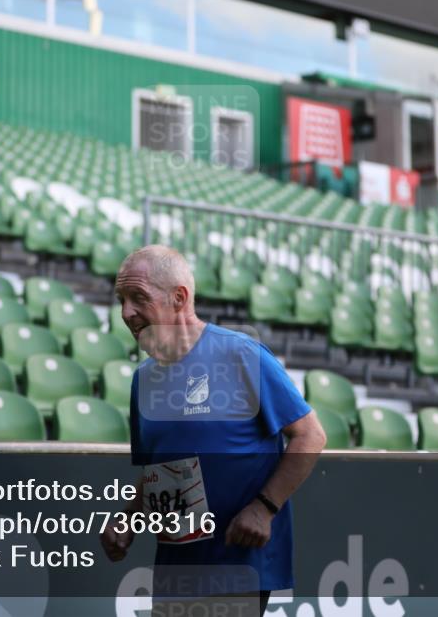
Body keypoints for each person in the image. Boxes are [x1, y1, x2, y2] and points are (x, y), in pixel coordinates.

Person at [100, 246, 327, 616]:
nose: (126, 312)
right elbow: (158, 470)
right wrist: (128, 517)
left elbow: (310, 435)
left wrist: (264, 508)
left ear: (179, 298)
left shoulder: (242, 355)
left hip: (236, 568)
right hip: (174, 570)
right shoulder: (144, 380)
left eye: (138, 297)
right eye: (121, 300)